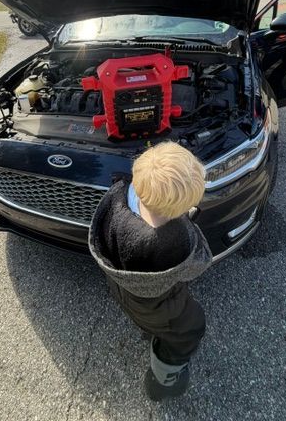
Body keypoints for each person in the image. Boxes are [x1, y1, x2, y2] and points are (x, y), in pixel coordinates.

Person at [88, 141, 212, 401]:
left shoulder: (122, 193)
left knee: (146, 319)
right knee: (189, 328)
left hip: (124, 287)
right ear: (177, 210)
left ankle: (149, 330)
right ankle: (163, 381)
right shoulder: (170, 241)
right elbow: (197, 264)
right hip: (159, 304)